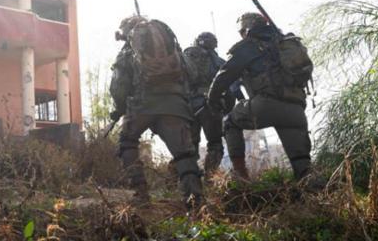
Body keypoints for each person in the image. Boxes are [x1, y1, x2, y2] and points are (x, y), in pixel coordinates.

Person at [207, 12, 314, 184]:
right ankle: (316, 196)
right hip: (296, 109)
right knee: (303, 166)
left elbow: (224, 76)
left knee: (229, 123)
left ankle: (241, 176)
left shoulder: (248, 47)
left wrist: (212, 100)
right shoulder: (285, 43)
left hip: (266, 104)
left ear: (246, 29)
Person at [109, 15, 204, 208]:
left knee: (127, 142)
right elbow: (192, 74)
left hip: (141, 107)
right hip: (175, 107)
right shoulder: (172, 49)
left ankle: (141, 194)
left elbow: (118, 86)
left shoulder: (128, 52)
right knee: (184, 154)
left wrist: (118, 109)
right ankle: (195, 202)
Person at [183, 32, 229, 177]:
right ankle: (209, 178)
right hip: (211, 105)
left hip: (188, 106)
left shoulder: (184, 58)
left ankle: (185, 179)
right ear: (214, 45)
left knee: (188, 146)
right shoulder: (219, 62)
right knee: (215, 144)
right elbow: (229, 87)